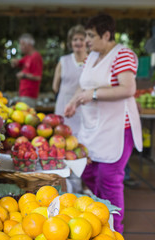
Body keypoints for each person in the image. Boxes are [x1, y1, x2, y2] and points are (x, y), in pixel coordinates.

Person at [64, 14, 142, 233]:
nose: (87, 40)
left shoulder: (122, 55)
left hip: (118, 128)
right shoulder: (92, 56)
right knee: (87, 171)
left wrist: (94, 94)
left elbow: (128, 89)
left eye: (91, 35)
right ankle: (100, 217)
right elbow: (83, 85)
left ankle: (114, 230)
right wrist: (73, 102)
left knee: (109, 179)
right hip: (92, 127)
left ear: (106, 35)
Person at [53, 25, 87, 137]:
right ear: (70, 42)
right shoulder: (63, 61)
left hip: (84, 108)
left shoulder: (92, 61)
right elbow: (55, 87)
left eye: (81, 39)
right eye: (75, 39)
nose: (78, 42)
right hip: (63, 108)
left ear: (87, 42)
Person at [11, 33, 43, 107]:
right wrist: (14, 62)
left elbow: (38, 77)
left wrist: (24, 75)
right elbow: (17, 63)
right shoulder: (27, 57)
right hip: (23, 93)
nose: (20, 47)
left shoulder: (36, 57)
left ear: (29, 44)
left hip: (29, 95)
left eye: (22, 44)